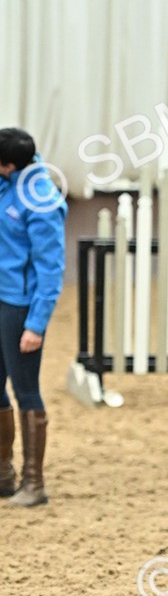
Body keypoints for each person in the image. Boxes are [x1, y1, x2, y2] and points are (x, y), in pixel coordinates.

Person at [0, 128, 67, 506]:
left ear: (9, 164)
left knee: (26, 391)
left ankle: (34, 482)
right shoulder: (5, 181)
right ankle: (4, 474)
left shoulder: (41, 202)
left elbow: (50, 268)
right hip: (0, 298)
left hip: (20, 307)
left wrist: (35, 325)